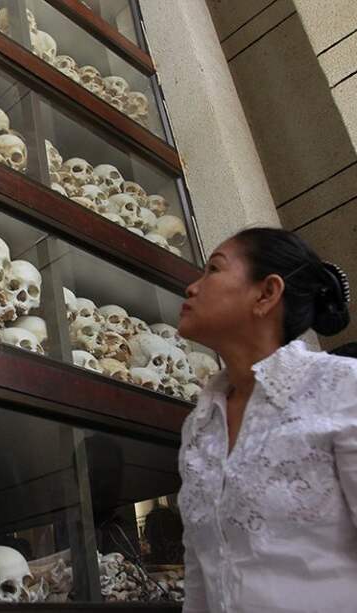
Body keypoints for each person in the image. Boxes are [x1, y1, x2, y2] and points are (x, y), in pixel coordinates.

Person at [176, 227, 355, 612]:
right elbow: (199, 575)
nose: (192, 287)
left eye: (213, 269)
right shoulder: (199, 426)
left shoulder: (343, 390)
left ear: (267, 293)